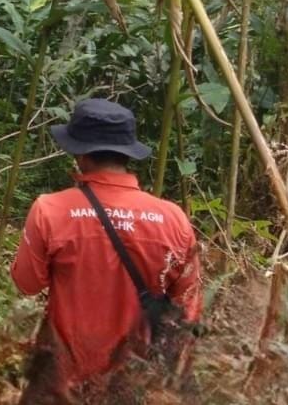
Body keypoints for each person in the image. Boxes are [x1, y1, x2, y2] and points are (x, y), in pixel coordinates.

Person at [11, 98, 202, 402]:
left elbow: (27, 283)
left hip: (62, 384)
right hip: (134, 387)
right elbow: (187, 310)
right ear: (127, 153)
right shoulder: (173, 219)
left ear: (80, 153)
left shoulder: (50, 210)